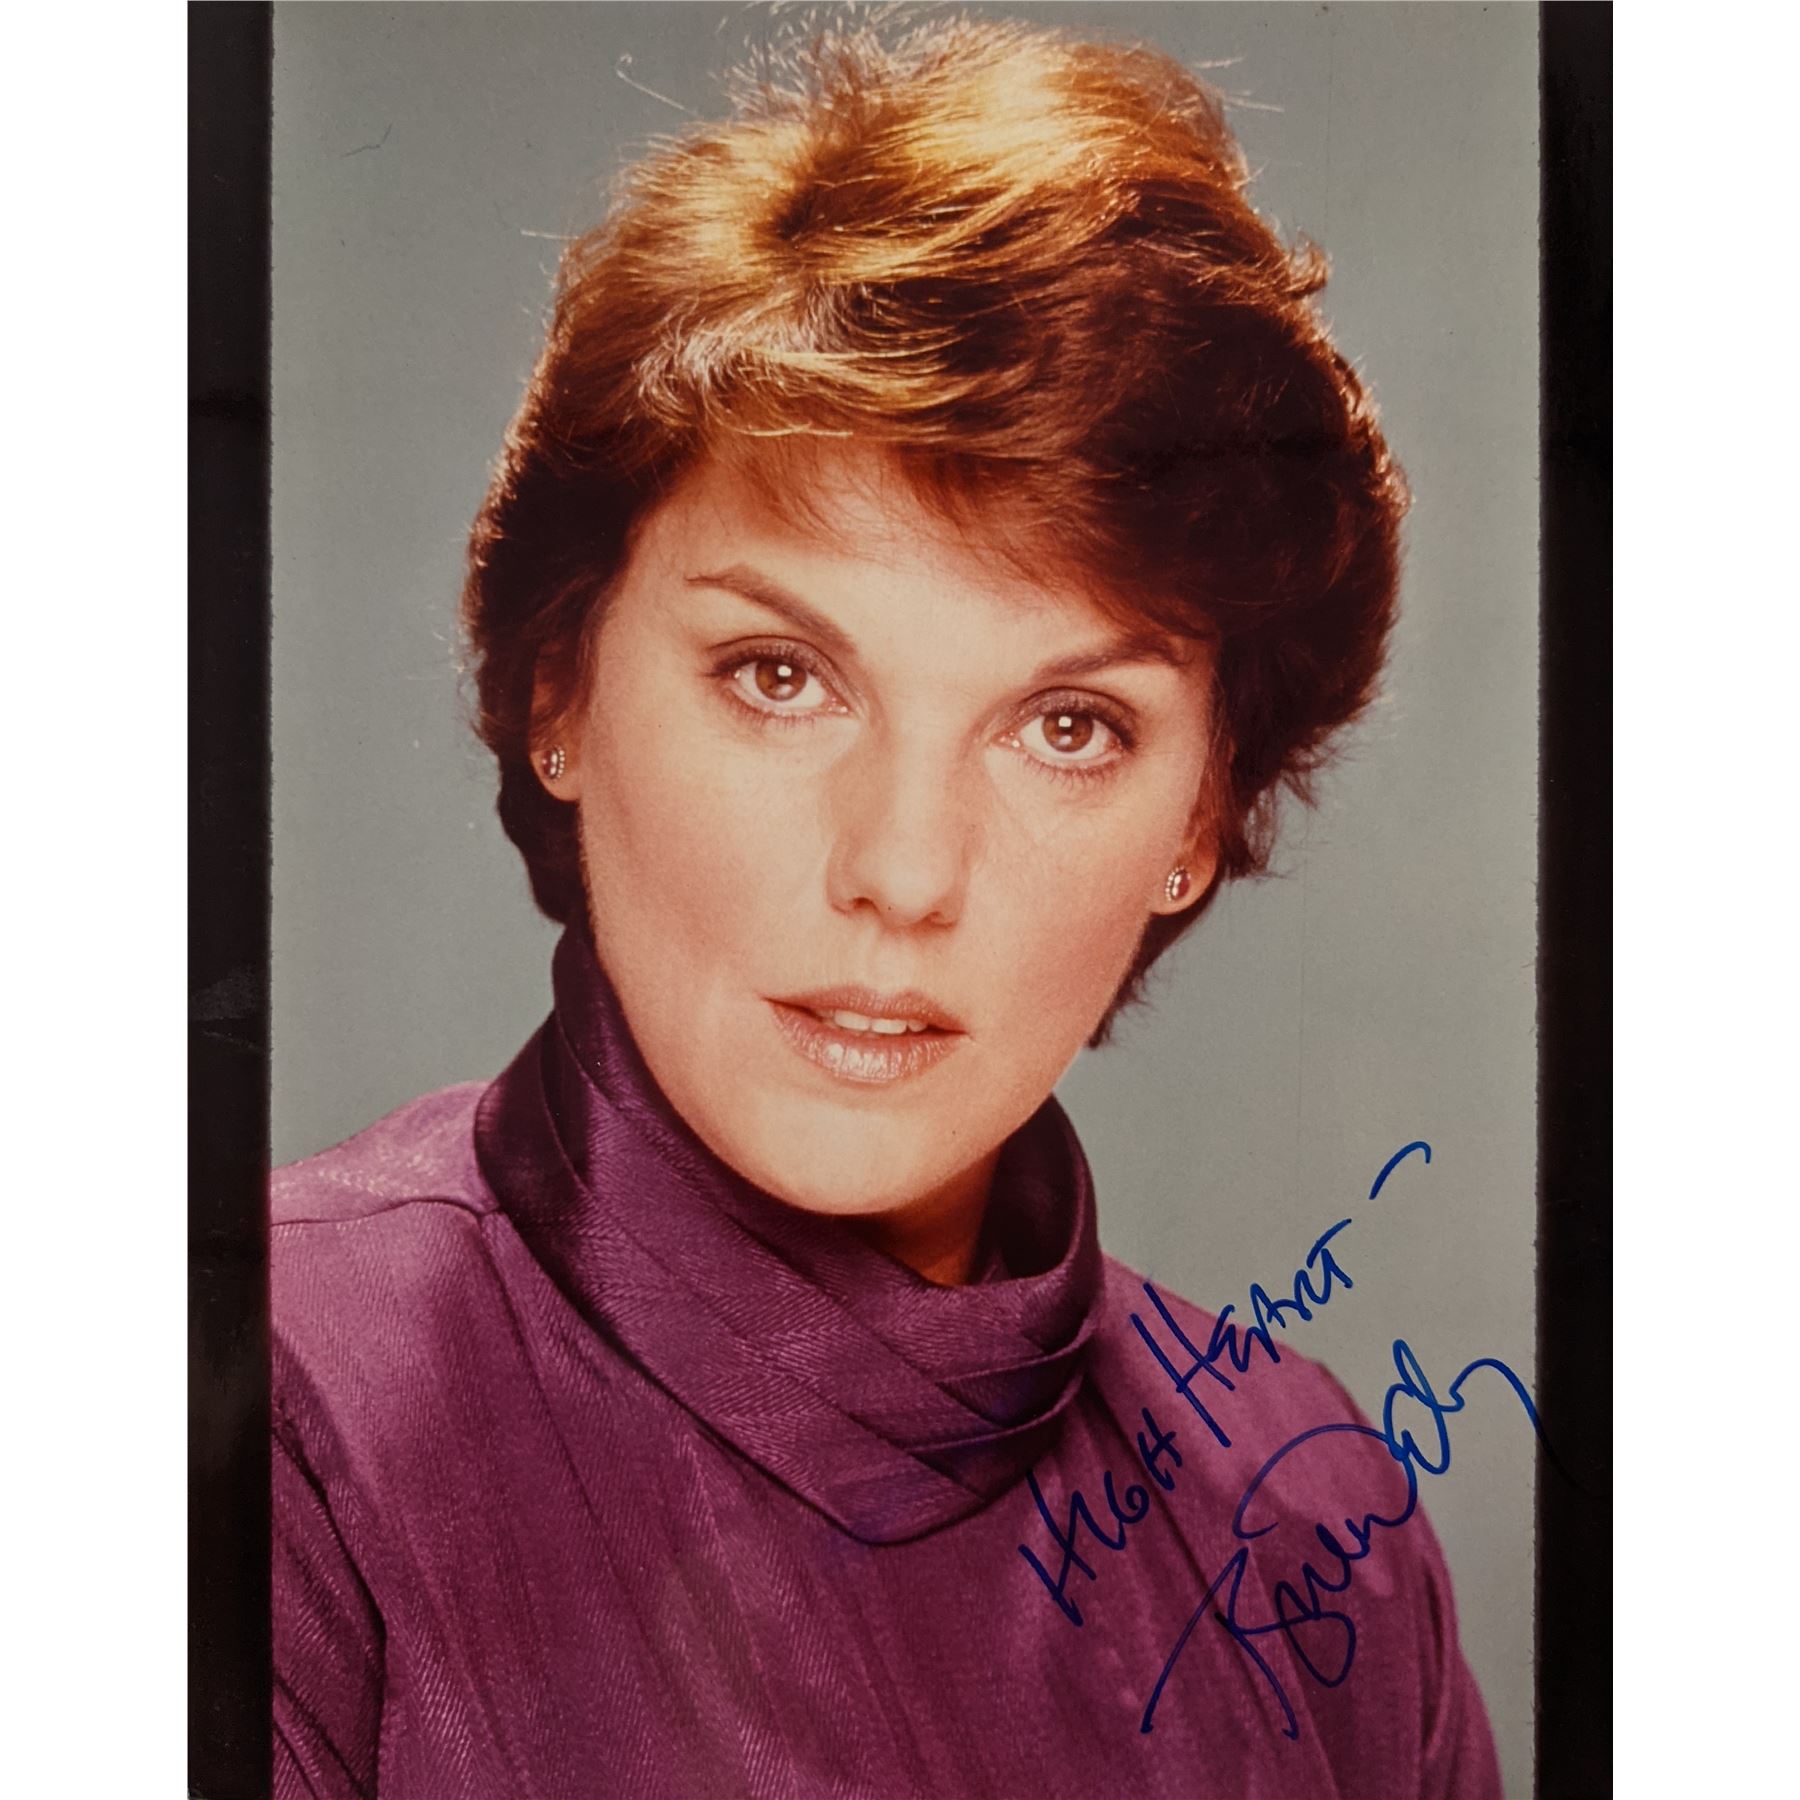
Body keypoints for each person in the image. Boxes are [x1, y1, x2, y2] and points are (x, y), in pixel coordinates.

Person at [272, 14, 1501, 1797]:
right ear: (560, 693)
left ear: (1202, 814)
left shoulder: (1308, 1513)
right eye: (780, 676)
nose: (906, 872)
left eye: (1068, 725)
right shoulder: (243, 1417)